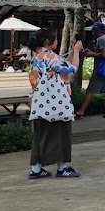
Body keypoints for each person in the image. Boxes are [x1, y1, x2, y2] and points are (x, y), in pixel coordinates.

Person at [27, 28, 83, 179]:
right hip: (56, 102)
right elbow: (71, 69)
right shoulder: (51, 56)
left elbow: (60, 67)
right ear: (47, 41)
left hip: (40, 102)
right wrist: (77, 51)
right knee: (61, 132)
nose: (57, 42)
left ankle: (36, 168)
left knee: (40, 134)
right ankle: (62, 166)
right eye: (55, 39)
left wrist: (71, 53)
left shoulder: (37, 57)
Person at [77, 22, 105, 119]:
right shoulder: (103, 39)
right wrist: (92, 52)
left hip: (100, 70)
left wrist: (91, 54)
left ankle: (80, 112)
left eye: (94, 29)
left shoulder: (101, 40)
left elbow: (104, 55)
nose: (93, 31)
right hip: (103, 70)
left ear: (98, 30)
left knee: (90, 90)